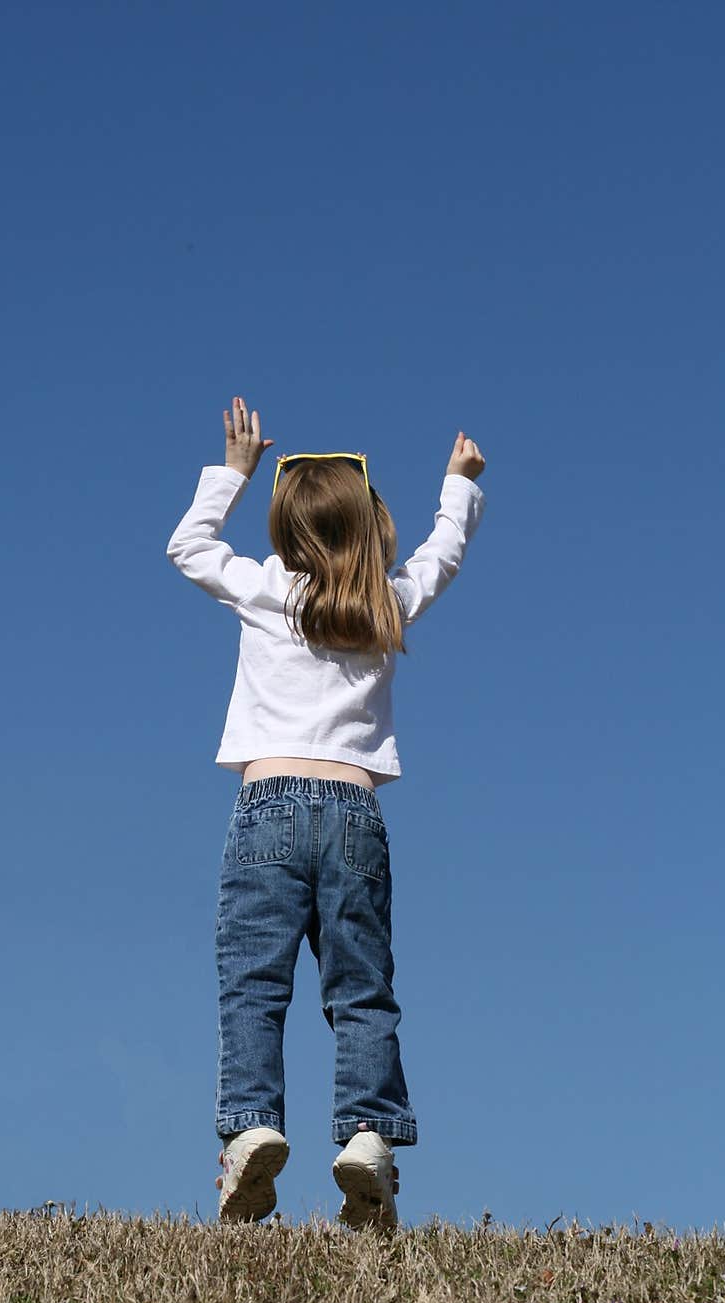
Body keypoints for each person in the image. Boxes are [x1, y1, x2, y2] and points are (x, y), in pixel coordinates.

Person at [166, 396, 487, 1229]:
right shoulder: (384, 604)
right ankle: (369, 1134)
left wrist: (232, 471)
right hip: (353, 814)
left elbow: (188, 548)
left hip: (265, 810)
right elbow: (441, 557)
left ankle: (250, 1130)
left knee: (252, 988)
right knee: (362, 992)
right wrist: (456, 487)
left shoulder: (266, 591)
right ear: (366, 524)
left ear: (287, 528)